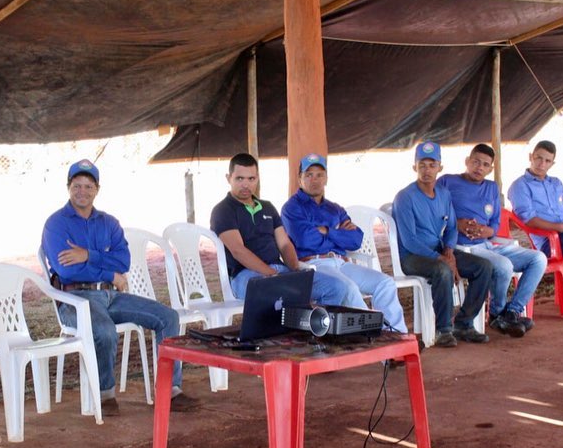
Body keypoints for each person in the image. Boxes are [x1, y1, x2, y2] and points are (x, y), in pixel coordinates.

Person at [41, 159, 198, 415]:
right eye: (77, 186)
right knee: (104, 330)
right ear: (68, 187)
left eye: (88, 186)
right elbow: (67, 270)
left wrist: (88, 255)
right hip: (76, 298)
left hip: (111, 295)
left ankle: (171, 390)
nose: (82, 191)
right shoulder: (56, 223)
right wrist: (109, 272)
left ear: (97, 189)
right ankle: (105, 396)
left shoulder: (109, 222)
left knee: (168, 317)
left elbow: (123, 261)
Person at [281, 153, 407, 333]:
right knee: (349, 288)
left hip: (341, 262)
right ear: (299, 179)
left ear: (326, 178)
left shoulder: (335, 208)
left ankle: (396, 336)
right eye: (308, 175)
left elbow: (355, 240)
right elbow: (305, 239)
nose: (314, 180)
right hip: (314, 264)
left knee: (385, 283)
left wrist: (326, 231)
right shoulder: (291, 207)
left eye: (319, 175)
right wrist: (339, 233)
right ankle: (375, 337)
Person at [209, 152, 347, 305]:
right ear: (228, 178)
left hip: (280, 270)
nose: (246, 184)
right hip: (245, 275)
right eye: (239, 178)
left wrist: (296, 269)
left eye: (251, 179)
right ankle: (295, 323)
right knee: (279, 291)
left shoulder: (268, 207)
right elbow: (238, 251)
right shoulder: (223, 210)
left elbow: (284, 244)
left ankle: (318, 326)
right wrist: (272, 275)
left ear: (258, 178)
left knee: (336, 287)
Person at [438, 143, 546, 337]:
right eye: (476, 162)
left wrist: (485, 231)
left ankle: (512, 311)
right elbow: (434, 211)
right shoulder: (447, 182)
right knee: (504, 265)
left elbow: (495, 224)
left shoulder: (491, 187)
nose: (479, 167)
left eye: (485, 164)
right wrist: (457, 223)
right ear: (467, 161)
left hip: (488, 244)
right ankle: (497, 313)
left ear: (491, 168)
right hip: (463, 248)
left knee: (538, 259)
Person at [392, 141, 493, 347]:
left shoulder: (444, 194)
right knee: (442, 270)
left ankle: (464, 323)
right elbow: (410, 241)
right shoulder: (405, 197)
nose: (427, 170)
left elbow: (453, 228)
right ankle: (443, 330)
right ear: (414, 167)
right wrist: (443, 259)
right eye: (422, 165)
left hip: (439, 251)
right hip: (412, 257)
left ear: (440, 168)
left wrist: (449, 251)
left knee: (484, 267)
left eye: (432, 165)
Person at [507, 139, 563, 259]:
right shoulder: (520, 185)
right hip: (549, 242)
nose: (542, 164)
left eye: (547, 161)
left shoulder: (556, 183)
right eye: (538, 158)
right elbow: (529, 220)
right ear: (531, 157)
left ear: (552, 164)